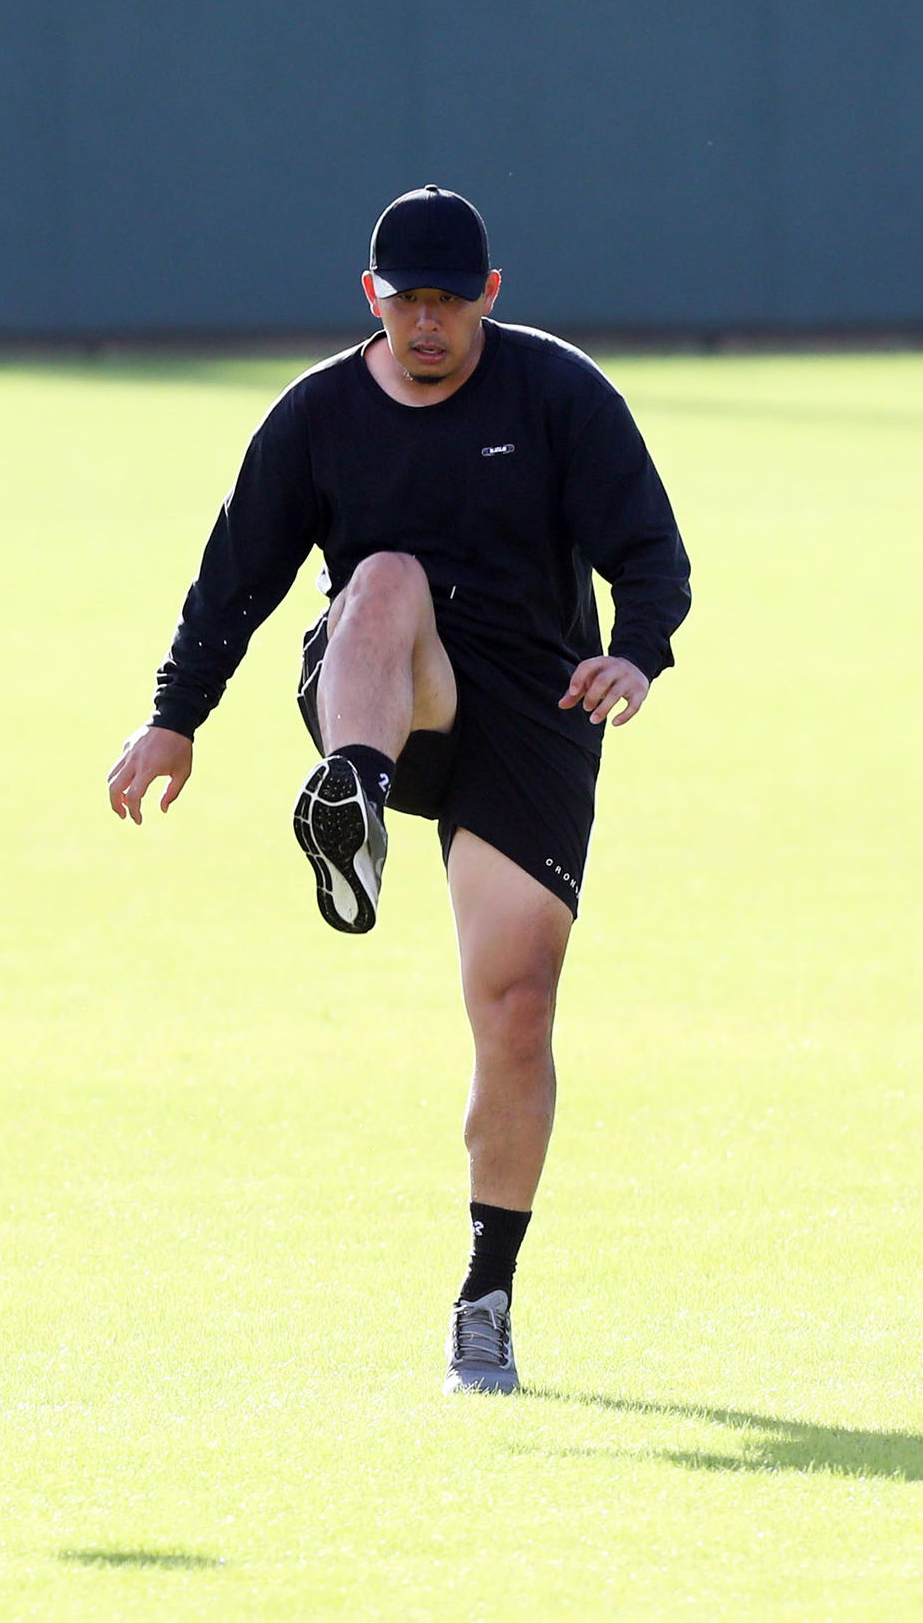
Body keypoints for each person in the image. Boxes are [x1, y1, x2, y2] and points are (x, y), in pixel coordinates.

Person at [107, 185, 691, 1393]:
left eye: (448, 301)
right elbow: (235, 581)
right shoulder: (318, 414)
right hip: (388, 684)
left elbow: (649, 550)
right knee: (377, 576)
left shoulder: (556, 393)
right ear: (369, 298)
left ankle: (485, 1295)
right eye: (403, 300)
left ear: (490, 295)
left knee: (516, 1004)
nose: (426, 324)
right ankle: (355, 805)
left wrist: (632, 648)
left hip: (534, 703)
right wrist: (172, 720)